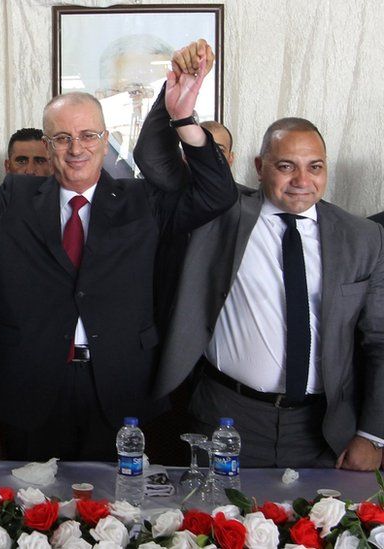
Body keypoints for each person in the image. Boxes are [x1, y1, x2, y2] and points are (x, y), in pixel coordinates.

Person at [0, 42, 236, 461]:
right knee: (28, 518)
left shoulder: (141, 201)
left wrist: (184, 119)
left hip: (120, 389)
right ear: (46, 145)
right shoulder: (13, 198)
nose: (76, 149)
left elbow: (216, 195)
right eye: (62, 138)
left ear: (105, 140)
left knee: (115, 518)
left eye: (87, 136)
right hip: (30, 388)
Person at [145, 43, 384, 471]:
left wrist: (373, 434)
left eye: (315, 167)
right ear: (259, 165)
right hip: (225, 415)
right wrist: (178, 110)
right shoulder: (221, 213)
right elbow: (161, 167)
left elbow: (381, 343)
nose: (301, 181)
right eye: (286, 166)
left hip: (324, 427)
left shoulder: (364, 237)